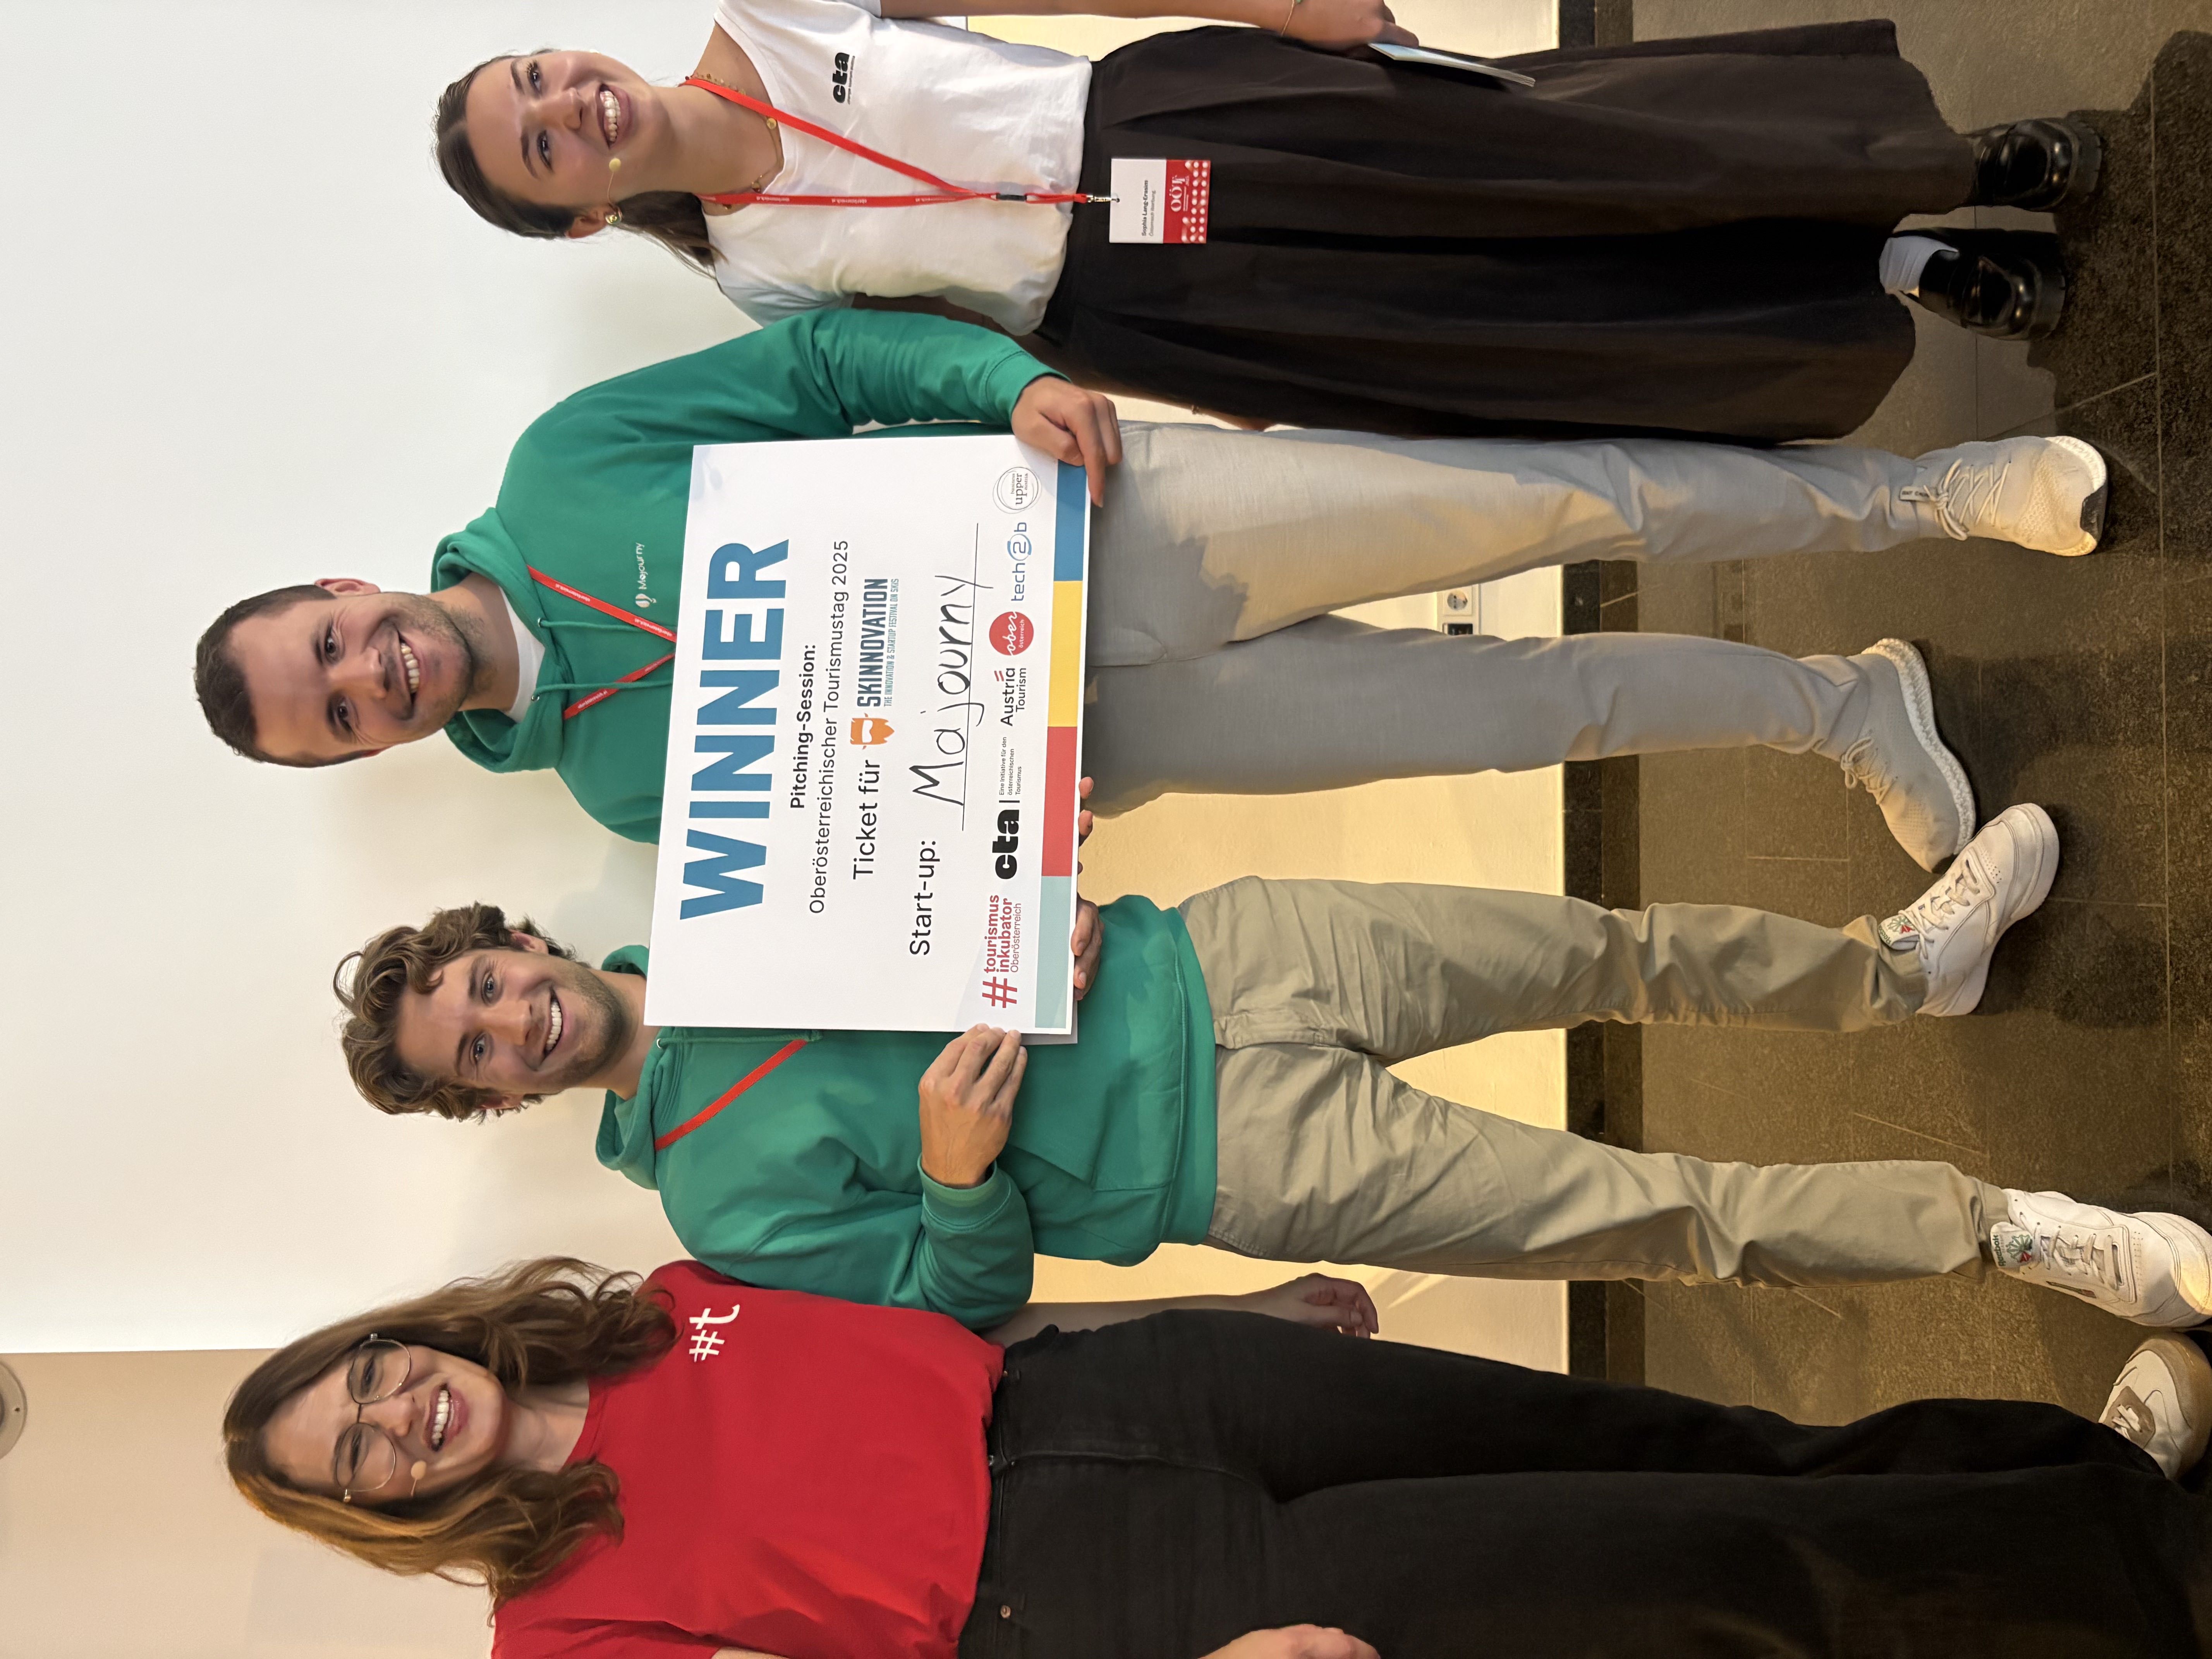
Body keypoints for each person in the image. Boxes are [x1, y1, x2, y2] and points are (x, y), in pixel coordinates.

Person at [195, 310, 2110, 872]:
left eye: (336, 640)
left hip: (1125, 522)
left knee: (1552, 501)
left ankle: (1935, 494)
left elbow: (817, 376)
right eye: (344, 710)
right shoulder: (609, 791)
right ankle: (1852, 708)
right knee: (1544, 715)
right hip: (1132, 728)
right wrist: (1017, 849)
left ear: (350, 584)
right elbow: (886, 850)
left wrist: (999, 388)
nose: (376, 672)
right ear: (367, 748)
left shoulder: (557, 476)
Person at [327, 805, 2212, 1335]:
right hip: (1239, 1157)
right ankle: (2006, 1233)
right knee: (1667, 1220)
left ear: (520, 941)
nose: (512, 1019)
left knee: (1609, 948)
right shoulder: (720, 1210)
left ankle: (1901, 971)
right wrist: (958, 1172)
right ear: (501, 1102)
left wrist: (1032, 892)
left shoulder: (731, 884)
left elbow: (963, 823)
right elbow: (960, 1310)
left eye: (489, 983)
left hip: (1217, 951)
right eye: (479, 1052)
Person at [227, 1256, 2212, 1659]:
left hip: (1138, 1398)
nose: (400, 1418)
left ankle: (2083, 1495)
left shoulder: (656, 1297)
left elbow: (974, 1345)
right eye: (366, 1460)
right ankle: (2139, 1593)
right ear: (379, 1513)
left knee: (1673, 1434)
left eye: (371, 1378)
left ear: (405, 1337)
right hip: (1105, 1610)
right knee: (1673, 1561)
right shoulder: (553, 1637)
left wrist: (1241, 1322)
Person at [431, 7, 2103, 442]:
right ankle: (1897, 269)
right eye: (542, 152)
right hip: (1144, 301)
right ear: (576, 221)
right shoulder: (751, 278)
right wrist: (1175, 383)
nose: (570, 109)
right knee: (1526, 327)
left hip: (1178, 123)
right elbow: (960, 352)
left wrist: (1287, 9)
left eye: (539, 80)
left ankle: (1942, 160)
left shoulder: (778, 13)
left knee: (1575, 157)